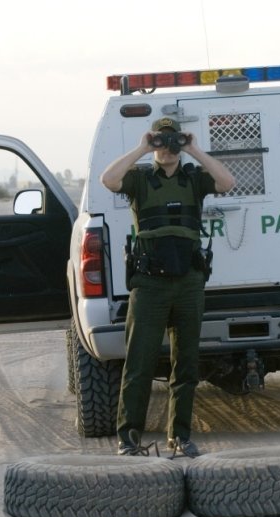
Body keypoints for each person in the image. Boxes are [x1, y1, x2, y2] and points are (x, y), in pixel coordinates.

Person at [100, 117, 236, 457]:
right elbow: (108, 179)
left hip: (189, 281)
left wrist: (194, 149)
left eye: (171, 141)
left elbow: (228, 182)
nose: (167, 148)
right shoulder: (141, 179)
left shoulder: (194, 179)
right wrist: (143, 147)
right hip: (150, 283)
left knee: (186, 364)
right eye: (162, 141)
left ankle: (181, 436)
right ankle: (128, 439)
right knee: (139, 362)